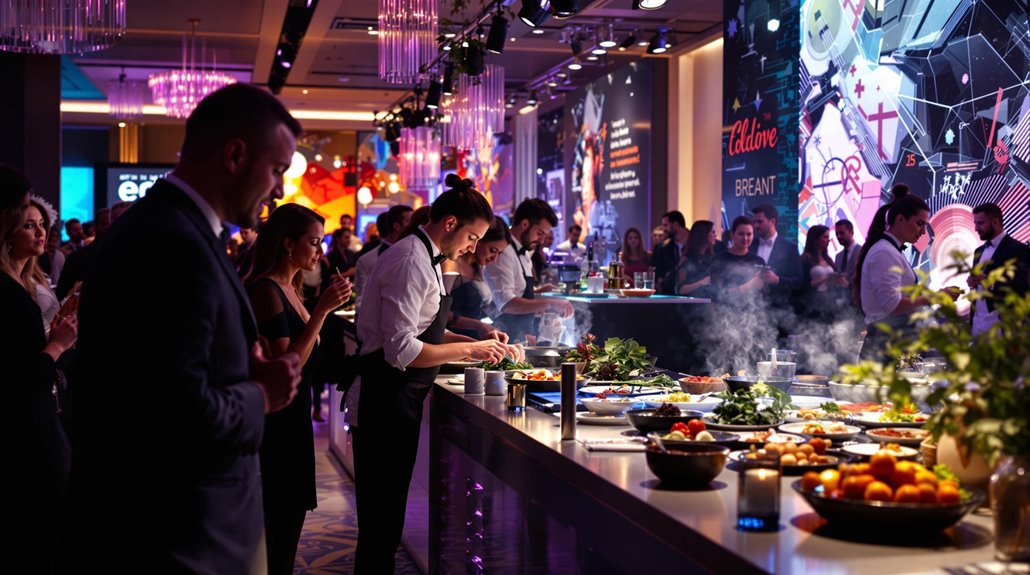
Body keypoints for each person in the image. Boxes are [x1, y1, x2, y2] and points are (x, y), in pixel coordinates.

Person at [69, 84, 305, 573]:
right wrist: (261, 395)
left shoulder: (176, 227)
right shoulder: (170, 242)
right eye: (277, 170)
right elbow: (173, 410)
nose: (280, 190)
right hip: (178, 534)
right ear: (235, 156)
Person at [354, 175, 517, 574]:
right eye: (472, 237)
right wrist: (470, 350)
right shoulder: (411, 260)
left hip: (400, 401)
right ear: (450, 224)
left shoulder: (426, 256)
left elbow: (425, 331)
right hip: (384, 400)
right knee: (380, 525)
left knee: (386, 521)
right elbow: (401, 350)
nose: (473, 248)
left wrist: (477, 338)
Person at [244, 204, 352, 574]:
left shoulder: (290, 287)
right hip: (277, 422)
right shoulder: (266, 290)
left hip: (294, 416)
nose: (320, 251)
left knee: (289, 522)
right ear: (288, 244)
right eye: (314, 242)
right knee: (279, 525)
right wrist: (321, 311)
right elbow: (287, 363)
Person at [0, 167, 79, 575]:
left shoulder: (23, 282)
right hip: (24, 430)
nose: (39, 232)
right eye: (27, 221)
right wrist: (57, 345)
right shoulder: (7, 292)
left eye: (41, 224)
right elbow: (18, 377)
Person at [854, 185, 959, 361]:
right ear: (901, 219)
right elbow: (892, 305)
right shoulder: (884, 252)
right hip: (885, 347)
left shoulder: (889, 250)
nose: (923, 232)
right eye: (919, 224)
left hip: (893, 343)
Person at [484, 198, 573, 343]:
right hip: (504, 335)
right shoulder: (503, 252)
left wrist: (539, 292)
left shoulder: (524, 253)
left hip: (523, 334)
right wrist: (550, 303)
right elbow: (506, 303)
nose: (542, 240)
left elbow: (518, 291)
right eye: (539, 233)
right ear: (524, 224)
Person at [968, 202, 1030, 337]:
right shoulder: (978, 251)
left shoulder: (1018, 249)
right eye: (975, 223)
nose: (976, 228)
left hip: (1003, 327)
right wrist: (972, 283)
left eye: (980, 223)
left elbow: (1022, 289)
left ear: (995, 222)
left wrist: (991, 283)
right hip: (977, 326)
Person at [445, 216, 511, 329]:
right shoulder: (451, 263)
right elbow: (439, 313)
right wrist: (479, 325)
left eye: (499, 253)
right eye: (492, 250)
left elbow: (485, 307)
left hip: (473, 334)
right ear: (479, 241)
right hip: (451, 335)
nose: (494, 258)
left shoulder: (479, 268)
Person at [355, 205, 413, 309]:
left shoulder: (416, 254)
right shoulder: (367, 260)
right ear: (397, 226)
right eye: (409, 221)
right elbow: (362, 301)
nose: (413, 226)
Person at [55, 207, 112, 300]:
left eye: (112, 223)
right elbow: (62, 293)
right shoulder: (75, 258)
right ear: (95, 227)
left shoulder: (124, 255)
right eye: (104, 224)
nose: (109, 227)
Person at [798, 225, 847, 322]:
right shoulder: (805, 259)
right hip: (812, 304)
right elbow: (801, 285)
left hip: (830, 302)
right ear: (816, 239)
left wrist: (839, 280)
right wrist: (824, 278)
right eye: (825, 237)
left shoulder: (828, 259)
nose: (828, 240)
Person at [675, 220, 716, 298]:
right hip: (692, 303)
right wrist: (701, 282)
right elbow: (680, 289)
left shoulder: (710, 258)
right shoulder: (688, 259)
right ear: (703, 234)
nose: (715, 235)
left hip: (709, 302)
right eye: (712, 232)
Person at [652, 211, 689, 294]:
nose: (664, 229)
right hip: (670, 294)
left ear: (675, 224)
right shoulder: (662, 247)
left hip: (695, 292)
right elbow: (658, 272)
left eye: (666, 225)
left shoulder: (697, 242)